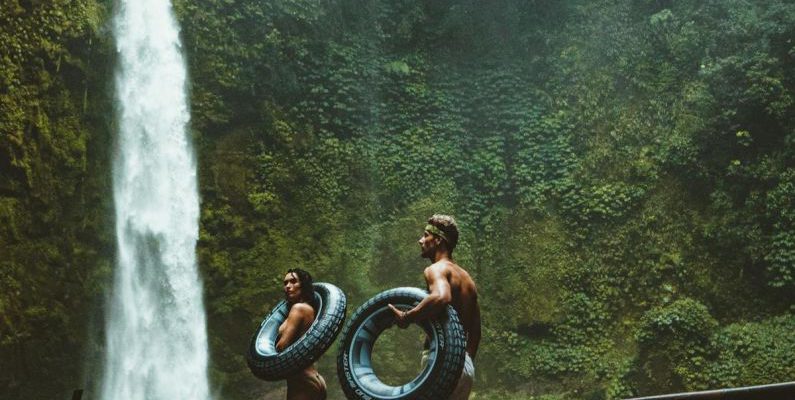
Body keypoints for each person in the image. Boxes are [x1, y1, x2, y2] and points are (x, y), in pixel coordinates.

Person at [388, 214, 481, 400]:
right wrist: (464, 361)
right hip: (465, 366)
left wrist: (407, 317)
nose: (420, 240)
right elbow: (476, 333)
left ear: (438, 240)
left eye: (425, 235)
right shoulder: (468, 280)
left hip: (441, 361)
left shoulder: (437, 269)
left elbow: (441, 296)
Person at [276, 268, 327, 400]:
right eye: (285, 283)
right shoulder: (310, 309)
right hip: (314, 377)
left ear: (303, 285)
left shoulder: (298, 309)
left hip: (301, 381)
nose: (288, 286)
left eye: (293, 281)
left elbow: (282, 346)